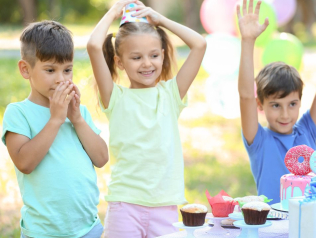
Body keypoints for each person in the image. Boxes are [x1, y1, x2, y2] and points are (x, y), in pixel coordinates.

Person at [86, 0, 206, 237]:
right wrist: (113, 11)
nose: (147, 63)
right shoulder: (114, 97)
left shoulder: (171, 94)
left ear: (162, 55)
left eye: (153, 55)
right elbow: (93, 45)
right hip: (125, 206)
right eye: (136, 57)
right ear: (119, 62)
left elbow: (199, 44)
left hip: (165, 207)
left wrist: (161, 20)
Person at [1, 20, 108, 238]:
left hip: (88, 228)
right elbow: (25, 163)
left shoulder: (78, 113)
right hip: (43, 232)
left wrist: (76, 119)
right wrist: (55, 119)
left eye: (67, 70)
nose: (61, 79)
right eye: (50, 70)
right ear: (25, 69)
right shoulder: (18, 113)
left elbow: (101, 158)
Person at [237, 0, 316, 203]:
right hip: (272, 228)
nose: (285, 114)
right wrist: (247, 41)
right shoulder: (259, 141)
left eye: (292, 104)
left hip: (311, 225)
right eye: (276, 105)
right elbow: (245, 96)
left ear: (300, 102)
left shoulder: (307, 130)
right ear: (260, 105)